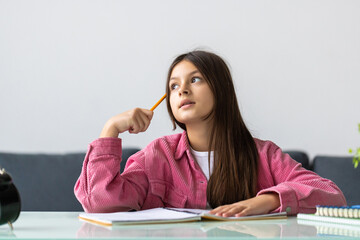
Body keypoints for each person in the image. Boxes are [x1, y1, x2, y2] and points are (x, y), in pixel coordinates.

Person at [74, 50, 346, 216]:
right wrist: (110, 130)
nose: (182, 90)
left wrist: (265, 201)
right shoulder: (158, 156)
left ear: (221, 89)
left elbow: (332, 195)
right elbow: (100, 203)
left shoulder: (262, 154)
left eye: (195, 79)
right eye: (173, 86)